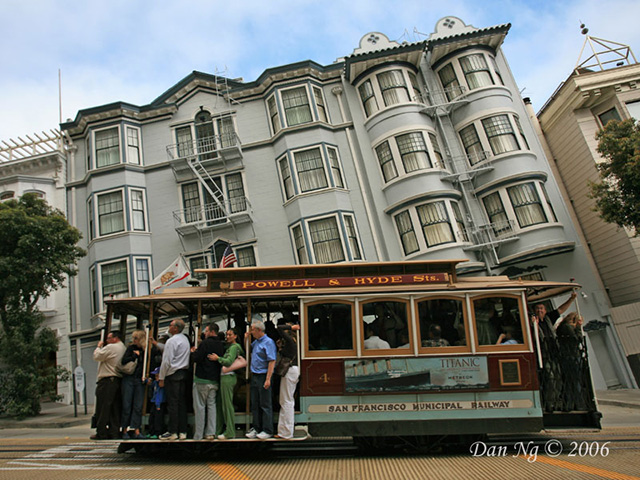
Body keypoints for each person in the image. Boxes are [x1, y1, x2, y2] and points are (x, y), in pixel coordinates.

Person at [530, 291, 577, 412]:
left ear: (545, 310)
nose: (539, 311)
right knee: (549, 378)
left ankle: (557, 401)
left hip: (554, 353)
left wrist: (571, 299)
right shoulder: (532, 322)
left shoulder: (548, 319)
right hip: (543, 354)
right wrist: (532, 324)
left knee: (558, 378)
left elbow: (561, 309)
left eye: (541, 308)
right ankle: (549, 403)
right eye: (537, 308)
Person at [209, 327, 245, 439]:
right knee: (221, 404)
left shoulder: (234, 347)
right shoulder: (231, 347)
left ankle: (229, 431)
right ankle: (219, 429)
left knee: (226, 405)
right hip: (226, 377)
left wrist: (217, 358)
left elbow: (228, 362)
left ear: (235, 336)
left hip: (228, 377)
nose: (227, 337)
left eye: (230, 335)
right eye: (227, 335)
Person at [190, 323, 224, 440]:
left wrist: (193, 351)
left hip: (201, 379)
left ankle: (198, 434)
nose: (204, 332)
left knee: (200, 407)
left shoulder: (205, 343)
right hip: (214, 380)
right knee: (211, 406)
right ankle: (210, 432)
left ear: (211, 332)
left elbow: (197, 358)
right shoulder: (220, 344)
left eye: (206, 330)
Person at [158, 318, 190, 440]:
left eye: (170, 325)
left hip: (173, 374)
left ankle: (173, 431)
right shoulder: (185, 339)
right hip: (183, 373)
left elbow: (166, 361)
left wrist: (162, 377)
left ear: (175, 328)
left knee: (173, 404)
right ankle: (183, 431)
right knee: (181, 403)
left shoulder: (171, 341)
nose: (169, 327)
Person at [245, 320, 277, 440]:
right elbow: (248, 349)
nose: (251, 332)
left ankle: (267, 429)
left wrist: (268, 378)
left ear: (259, 330)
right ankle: (257, 428)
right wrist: (246, 339)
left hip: (263, 375)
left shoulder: (268, 342)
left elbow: (272, 360)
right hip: (255, 375)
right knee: (255, 403)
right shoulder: (257, 342)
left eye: (252, 329)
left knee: (265, 404)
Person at [91, 330, 126, 440]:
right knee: (115, 407)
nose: (107, 341)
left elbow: (97, 356)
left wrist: (99, 347)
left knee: (103, 407)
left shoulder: (111, 347)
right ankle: (114, 431)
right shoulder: (123, 347)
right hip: (117, 380)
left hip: (107, 380)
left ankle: (101, 431)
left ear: (115, 338)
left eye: (109, 338)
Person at [276, 322, 300, 439]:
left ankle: (286, 432)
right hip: (292, 371)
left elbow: (279, 328)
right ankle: (284, 431)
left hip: (290, 372)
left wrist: (290, 327)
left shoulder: (290, 341)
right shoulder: (293, 343)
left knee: (286, 401)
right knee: (286, 400)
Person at [120, 329, 146, 439]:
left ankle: (136, 429)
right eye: (133, 338)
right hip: (129, 378)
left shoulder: (145, 351)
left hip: (139, 379)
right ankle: (125, 429)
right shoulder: (131, 348)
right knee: (127, 405)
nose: (134, 340)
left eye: (136, 338)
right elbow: (123, 361)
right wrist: (134, 356)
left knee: (138, 406)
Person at [146, 367, 165, 438]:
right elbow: (150, 384)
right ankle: (151, 431)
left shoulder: (162, 385)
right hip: (154, 402)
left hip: (159, 403)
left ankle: (157, 432)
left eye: (157, 375)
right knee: (151, 418)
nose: (156, 377)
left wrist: (158, 404)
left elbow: (160, 395)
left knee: (158, 419)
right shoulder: (155, 383)